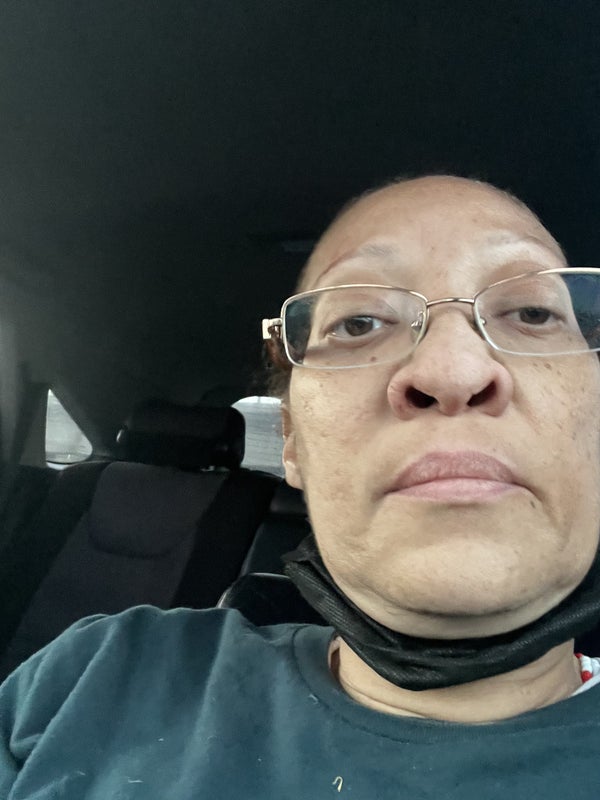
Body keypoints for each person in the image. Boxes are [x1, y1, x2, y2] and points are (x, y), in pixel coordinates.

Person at [3, 174, 600, 798]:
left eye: (533, 313)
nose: (452, 369)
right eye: (360, 322)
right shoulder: (92, 681)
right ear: (291, 442)